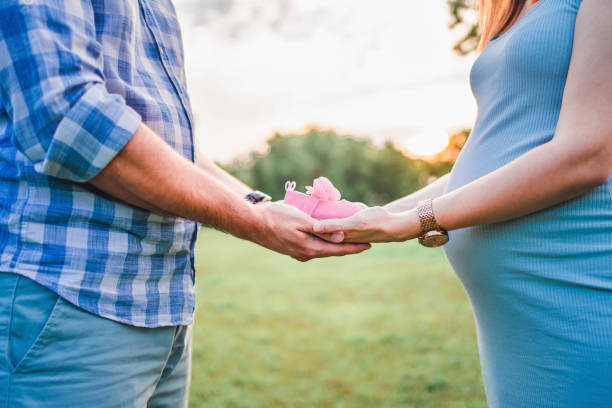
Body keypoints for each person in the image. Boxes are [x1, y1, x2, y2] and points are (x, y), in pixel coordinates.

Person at [0, 1, 370, 407]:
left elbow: (175, 151)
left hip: (165, 310)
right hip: (70, 300)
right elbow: (73, 119)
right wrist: (254, 220)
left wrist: (261, 204)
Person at [314, 0, 612, 406]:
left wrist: (416, 222)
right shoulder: (512, 8)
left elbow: (587, 154)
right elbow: (490, 164)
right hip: (514, 321)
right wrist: (385, 214)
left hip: (578, 289)